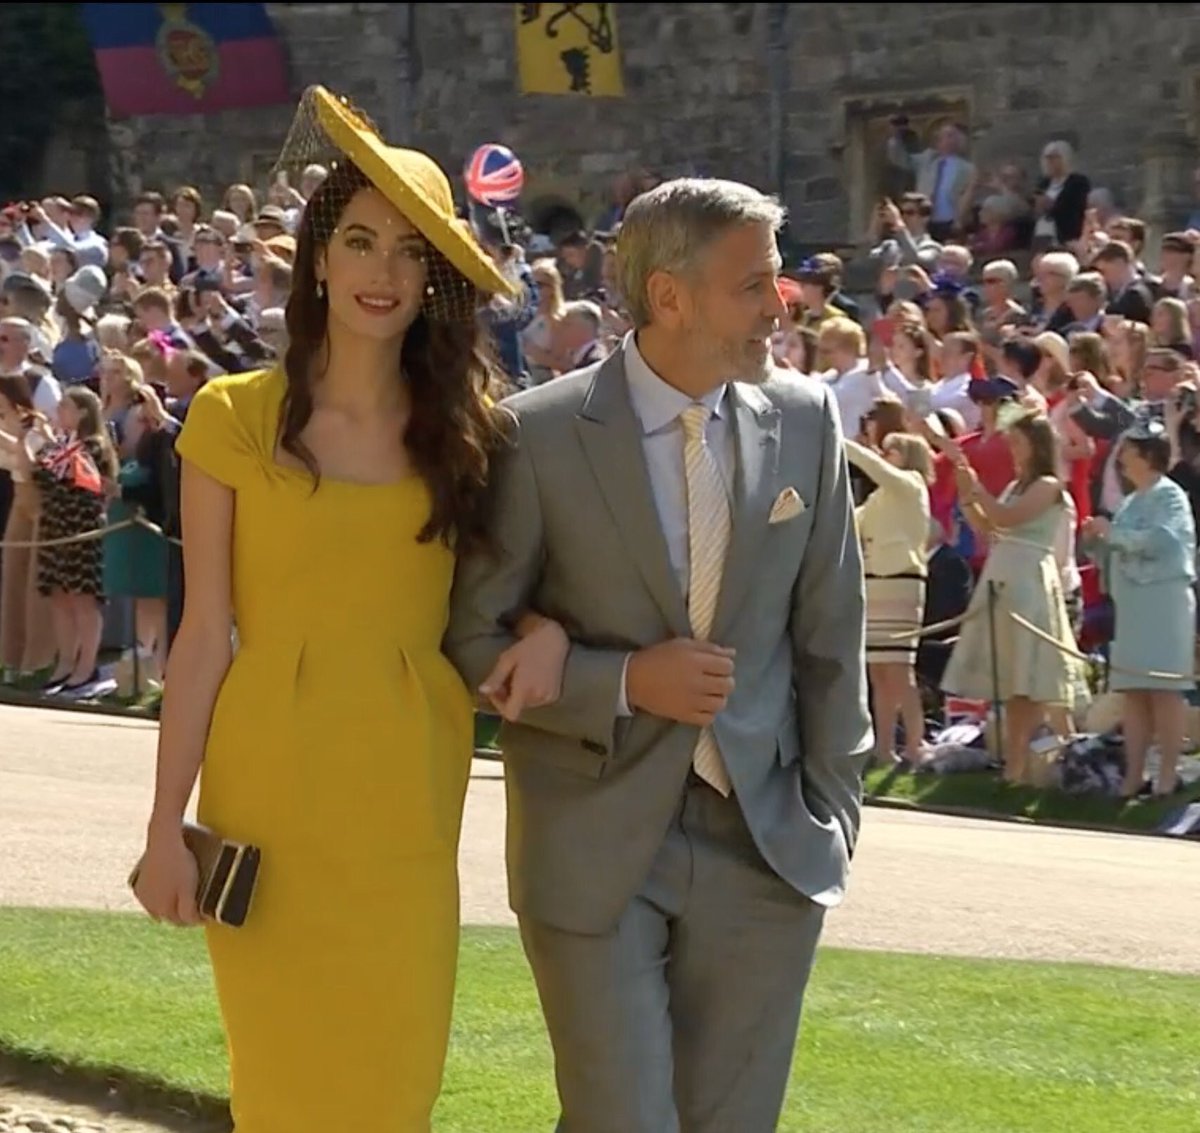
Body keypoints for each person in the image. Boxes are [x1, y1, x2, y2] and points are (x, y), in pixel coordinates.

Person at [130, 86, 565, 1131]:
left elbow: (514, 600)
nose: (383, 270)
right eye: (361, 241)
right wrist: (159, 827)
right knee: (281, 1083)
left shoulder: (473, 432)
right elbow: (200, 641)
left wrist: (544, 628)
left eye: (410, 251)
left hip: (411, 785)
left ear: (433, 279)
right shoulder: (231, 416)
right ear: (317, 257)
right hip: (267, 785)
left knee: (393, 1077)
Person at [446, 178, 872, 1132]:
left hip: (769, 845)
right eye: (754, 283)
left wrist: (834, 812)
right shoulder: (538, 434)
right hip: (593, 842)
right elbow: (473, 637)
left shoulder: (805, 419)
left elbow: (830, 635)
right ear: (670, 296)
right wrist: (629, 680)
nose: (781, 304)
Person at [941, 411, 1085, 783]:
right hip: (1004, 574)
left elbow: (1007, 517)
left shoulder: (1048, 485)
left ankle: (1019, 766)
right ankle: (1013, 765)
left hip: (1029, 580)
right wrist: (967, 493)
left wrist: (978, 490)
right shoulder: (1014, 485)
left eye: (1018, 442)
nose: (1013, 449)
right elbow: (988, 527)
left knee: (1027, 679)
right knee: (1010, 680)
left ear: (1036, 445)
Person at [1082, 424, 1197, 797]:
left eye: (1128, 452)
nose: (1121, 459)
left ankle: (1166, 774)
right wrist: (1096, 539)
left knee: (1165, 690)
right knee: (1134, 692)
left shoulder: (1170, 496)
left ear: (1149, 456)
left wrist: (1112, 534)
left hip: (1163, 605)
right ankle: (1134, 775)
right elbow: (1117, 549)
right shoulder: (1131, 502)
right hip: (1132, 608)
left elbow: (1164, 540)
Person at [845, 431, 934, 767]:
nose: (884, 453)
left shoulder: (910, 484)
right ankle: (884, 748)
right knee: (879, 670)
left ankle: (915, 742)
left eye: (892, 449)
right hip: (875, 583)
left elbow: (873, 465)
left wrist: (842, 442)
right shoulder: (880, 497)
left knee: (899, 669)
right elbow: (851, 522)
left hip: (902, 583)